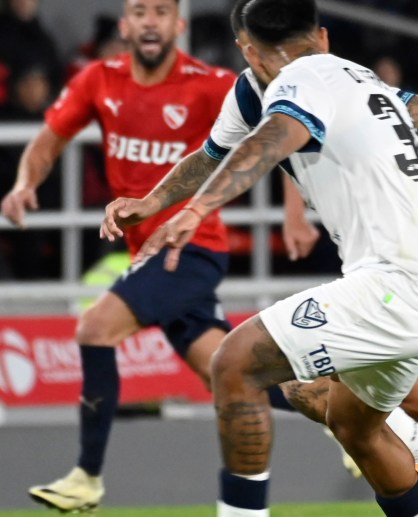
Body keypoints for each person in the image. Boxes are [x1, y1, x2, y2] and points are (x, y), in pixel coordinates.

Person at [101, 0, 418, 514]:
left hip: (396, 282)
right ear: (321, 36)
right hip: (416, 278)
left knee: (235, 363)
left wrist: (198, 210)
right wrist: (153, 202)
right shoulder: (338, 79)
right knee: (349, 418)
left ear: (249, 50)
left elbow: (277, 136)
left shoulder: (304, 79)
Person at [0, 0, 266, 512]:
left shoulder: (211, 84)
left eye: (161, 11)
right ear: (125, 24)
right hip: (147, 254)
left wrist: (296, 212)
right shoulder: (99, 79)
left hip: (191, 249)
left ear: (178, 25)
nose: (149, 21)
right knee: (229, 372)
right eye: (140, 11)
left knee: (94, 329)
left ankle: (86, 478)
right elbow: (50, 139)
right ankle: (348, 412)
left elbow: (280, 130)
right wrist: (24, 184)